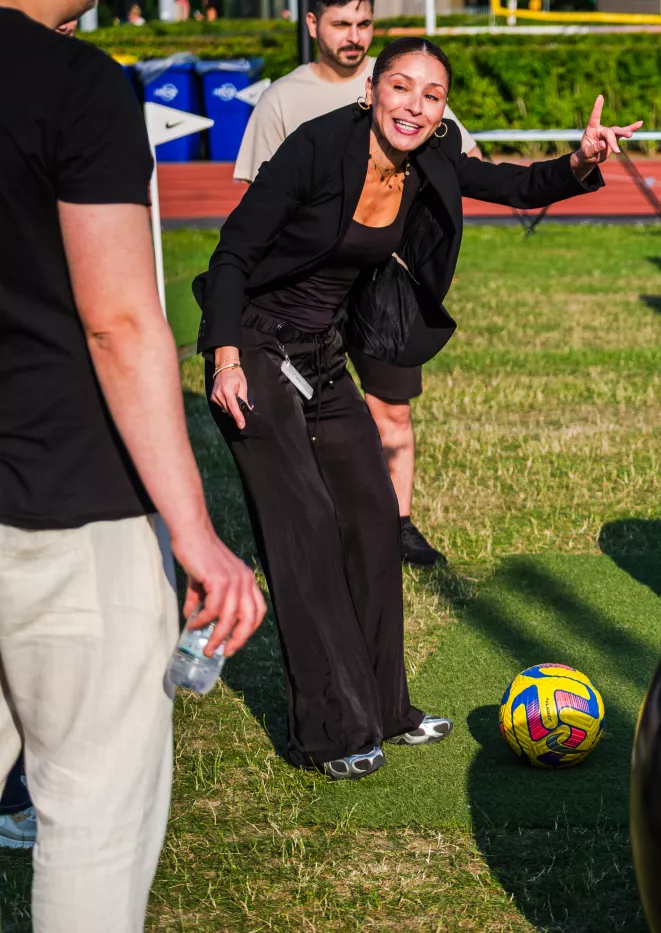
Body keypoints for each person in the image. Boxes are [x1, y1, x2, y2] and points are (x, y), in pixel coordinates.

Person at [196, 37, 637, 780]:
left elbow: (516, 185)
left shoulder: (431, 155)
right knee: (305, 530)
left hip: (322, 352)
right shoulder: (316, 148)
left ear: (442, 111)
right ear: (372, 90)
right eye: (401, 87)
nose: (415, 106)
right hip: (254, 348)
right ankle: (329, 733)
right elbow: (233, 251)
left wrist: (581, 160)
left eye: (432, 96)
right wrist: (224, 357)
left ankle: (387, 710)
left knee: (373, 516)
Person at [1, 0, 265, 927]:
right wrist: (196, 533)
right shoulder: (75, 84)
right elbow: (117, 320)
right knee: (92, 819)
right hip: (67, 508)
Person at [235, 0, 480, 568]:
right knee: (305, 421)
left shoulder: (408, 85)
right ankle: (319, 528)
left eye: (364, 24)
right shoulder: (282, 100)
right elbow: (253, 208)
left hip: (378, 287)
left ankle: (398, 527)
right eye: (341, 24)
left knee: (392, 409)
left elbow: (466, 162)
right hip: (305, 297)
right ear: (312, 25)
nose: (354, 35)